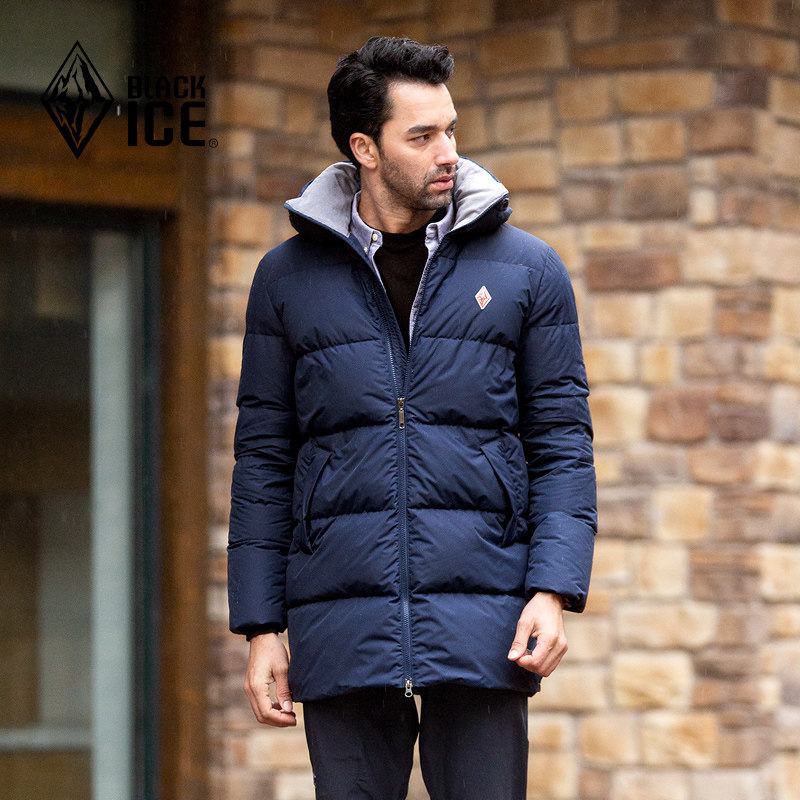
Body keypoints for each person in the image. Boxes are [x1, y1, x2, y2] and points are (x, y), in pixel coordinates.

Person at [228, 35, 596, 800]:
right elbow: (263, 458)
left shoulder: (528, 271)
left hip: (486, 620)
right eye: (421, 136)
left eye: (451, 130)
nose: (448, 152)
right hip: (341, 619)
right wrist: (261, 627)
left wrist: (552, 589)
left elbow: (562, 444)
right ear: (364, 148)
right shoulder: (286, 279)